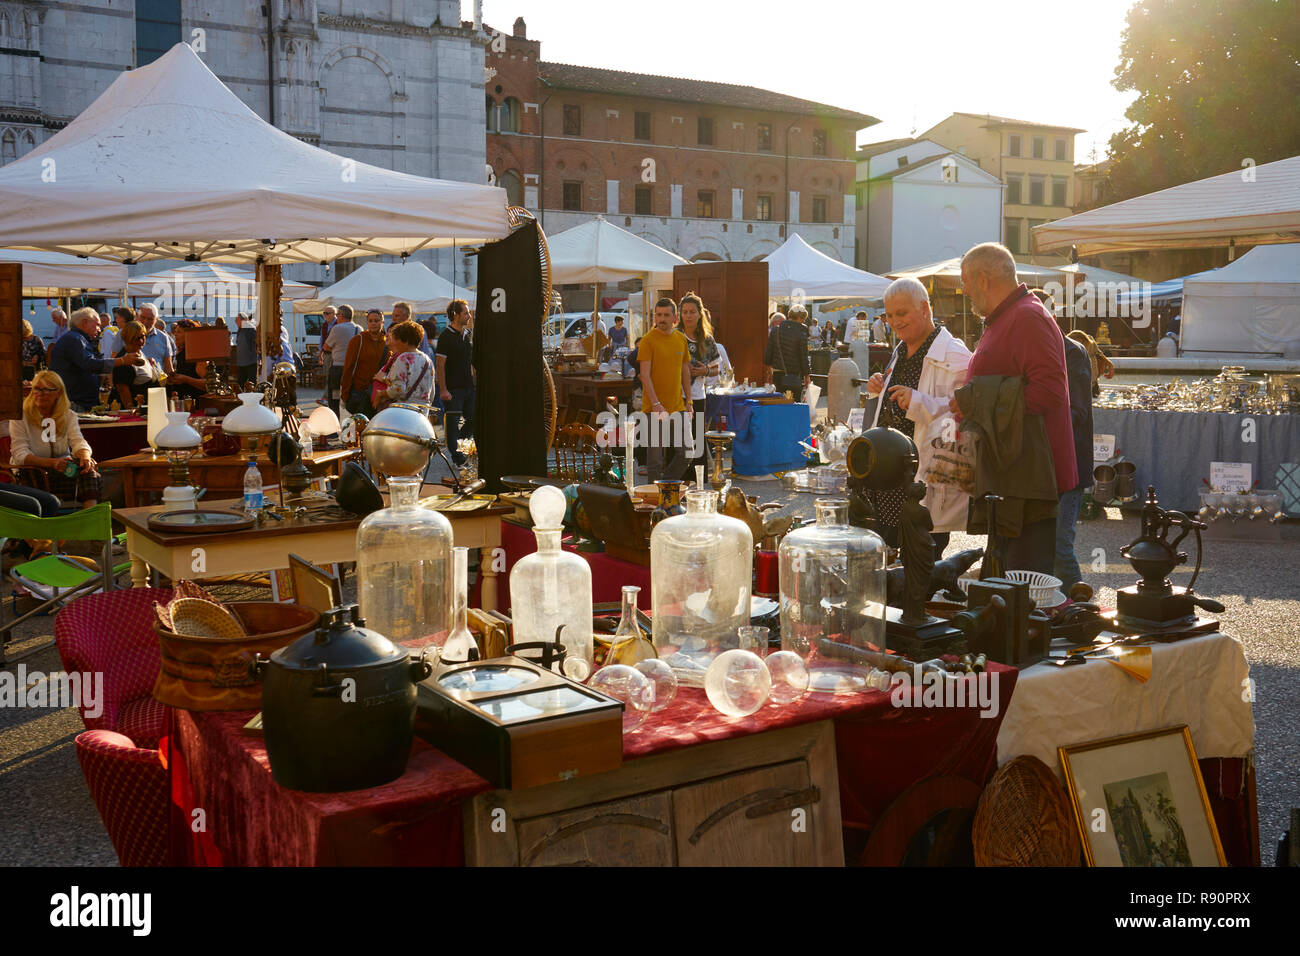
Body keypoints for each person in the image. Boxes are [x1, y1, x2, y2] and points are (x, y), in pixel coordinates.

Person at [953, 243, 1075, 574]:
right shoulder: (1008, 316)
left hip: (1030, 479)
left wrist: (977, 403)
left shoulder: (1027, 316)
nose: (963, 290)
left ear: (982, 278)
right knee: (1008, 576)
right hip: (1013, 476)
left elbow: (1049, 392)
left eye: (965, 281)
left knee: (1026, 580)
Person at [864, 278, 972, 552]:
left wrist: (919, 402)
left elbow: (968, 416)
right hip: (888, 481)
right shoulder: (901, 349)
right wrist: (879, 388)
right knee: (887, 559)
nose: (894, 321)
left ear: (925, 309)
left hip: (924, 482)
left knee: (923, 567)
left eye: (901, 313)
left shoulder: (955, 354)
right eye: (889, 315)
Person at [9, 370, 102, 508]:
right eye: (37, 389)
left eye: (46, 390)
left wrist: (85, 456)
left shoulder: (68, 415)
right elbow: (20, 455)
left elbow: (78, 441)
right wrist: (52, 463)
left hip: (62, 467)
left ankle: (89, 520)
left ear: (58, 393)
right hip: (31, 469)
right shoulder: (20, 416)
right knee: (34, 475)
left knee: (88, 472)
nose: (40, 394)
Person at [638, 297, 693, 481]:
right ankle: (654, 501)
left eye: (666, 315)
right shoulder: (647, 340)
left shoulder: (680, 339)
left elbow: (685, 370)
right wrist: (655, 404)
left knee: (687, 452)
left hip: (677, 406)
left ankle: (666, 488)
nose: (661, 319)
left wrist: (689, 402)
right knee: (654, 460)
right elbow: (644, 375)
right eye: (658, 315)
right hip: (654, 408)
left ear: (674, 318)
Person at [48, 307, 140, 411]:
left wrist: (98, 377)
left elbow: (84, 366)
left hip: (78, 401)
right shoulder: (75, 339)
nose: (99, 329)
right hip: (75, 403)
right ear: (84, 323)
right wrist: (122, 360)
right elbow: (89, 363)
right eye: (97, 325)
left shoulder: (78, 338)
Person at [678, 292, 720, 474]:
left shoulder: (707, 339)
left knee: (697, 441)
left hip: (698, 396)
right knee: (679, 442)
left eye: (692, 312)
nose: (688, 315)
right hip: (676, 395)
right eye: (685, 312)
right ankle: (677, 482)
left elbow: (718, 368)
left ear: (699, 314)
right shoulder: (675, 336)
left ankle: (699, 482)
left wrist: (706, 371)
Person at [436, 299, 476, 466]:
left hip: (468, 386)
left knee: (474, 418)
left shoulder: (466, 335)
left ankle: (459, 444)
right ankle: (457, 456)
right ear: (455, 315)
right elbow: (440, 364)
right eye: (465, 313)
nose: (469, 315)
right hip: (453, 388)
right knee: (452, 422)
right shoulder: (446, 336)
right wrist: (444, 389)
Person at [340, 307, 390, 417]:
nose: (373, 324)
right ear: (367, 322)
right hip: (360, 392)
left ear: (382, 322)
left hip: (380, 395)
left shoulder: (388, 342)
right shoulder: (358, 340)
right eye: (370, 321)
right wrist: (345, 394)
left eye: (376, 321)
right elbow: (348, 368)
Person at [376, 321, 434, 411]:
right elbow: (432, 391)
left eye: (395, 339)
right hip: (423, 409)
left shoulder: (403, 358)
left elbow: (398, 389)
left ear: (405, 341)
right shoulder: (427, 360)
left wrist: (382, 393)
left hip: (405, 409)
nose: (394, 343)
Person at [110, 320, 163, 407]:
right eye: (137, 338)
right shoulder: (124, 361)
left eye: (143, 337)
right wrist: (132, 413)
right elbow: (123, 391)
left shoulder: (139, 352)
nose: (141, 341)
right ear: (129, 338)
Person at [764, 304, 811, 396]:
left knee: (779, 403)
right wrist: (807, 377)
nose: (804, 321)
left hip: (777, 374)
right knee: (793, 404)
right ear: (800, 318)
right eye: (803, 319)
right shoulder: (801, 332)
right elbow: (803, 357)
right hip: (794, 375)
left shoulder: (775, 330)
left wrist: (770, 373)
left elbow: (768, 356)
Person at [324, 304, 361, 414]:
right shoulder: (359, 328)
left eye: (337, 314)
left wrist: (337, 349)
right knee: (350, 397)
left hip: (338, 368)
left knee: (335, 399)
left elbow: (326, 346)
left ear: (341, 316)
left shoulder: (337, 328)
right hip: (354, 368)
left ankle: (336, 423)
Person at [167, 318, 210, 402]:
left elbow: (208, 384)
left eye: (179, 332)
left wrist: (186, 379)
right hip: (184, 401)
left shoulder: (197, 354)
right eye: (175, 331)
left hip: (196, 403)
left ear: (188, 335)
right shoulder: (182, 352)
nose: (175, 334)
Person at [1066, 329, 1115, 397]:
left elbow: (1100, 355)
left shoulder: (1090, 342)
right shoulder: (1067, 349)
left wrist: (1110, 365)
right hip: (1078, 387)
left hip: (1092, 384)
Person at [235, 312, 258, 386]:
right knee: (240, 383)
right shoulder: (240, 329)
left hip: (250, 362)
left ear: (243, 320)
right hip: (241, 362)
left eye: (237, 320)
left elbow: (255, 344)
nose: (236, 322)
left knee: (252, 383)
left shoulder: (250, 328)